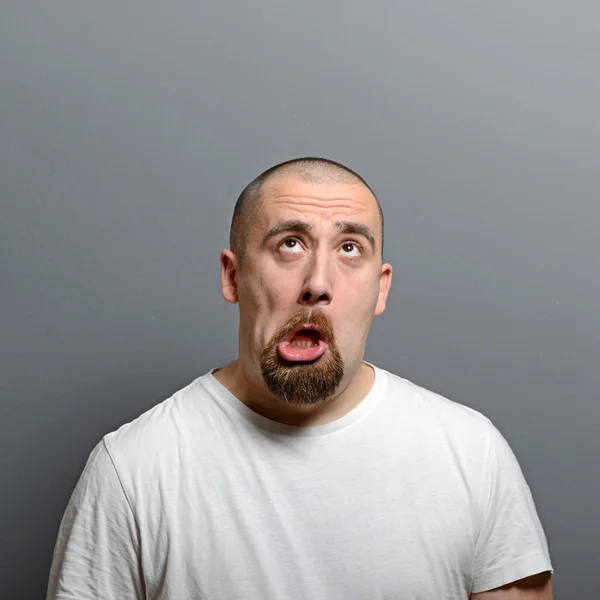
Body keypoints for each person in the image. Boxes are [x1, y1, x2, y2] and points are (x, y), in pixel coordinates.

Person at [46, 157, 553, 599]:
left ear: (381, 289)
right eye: (290, 243)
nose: (318, 283)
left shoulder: (472, 455)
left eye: (349, 248)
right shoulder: (132, 469)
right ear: (233, 276)